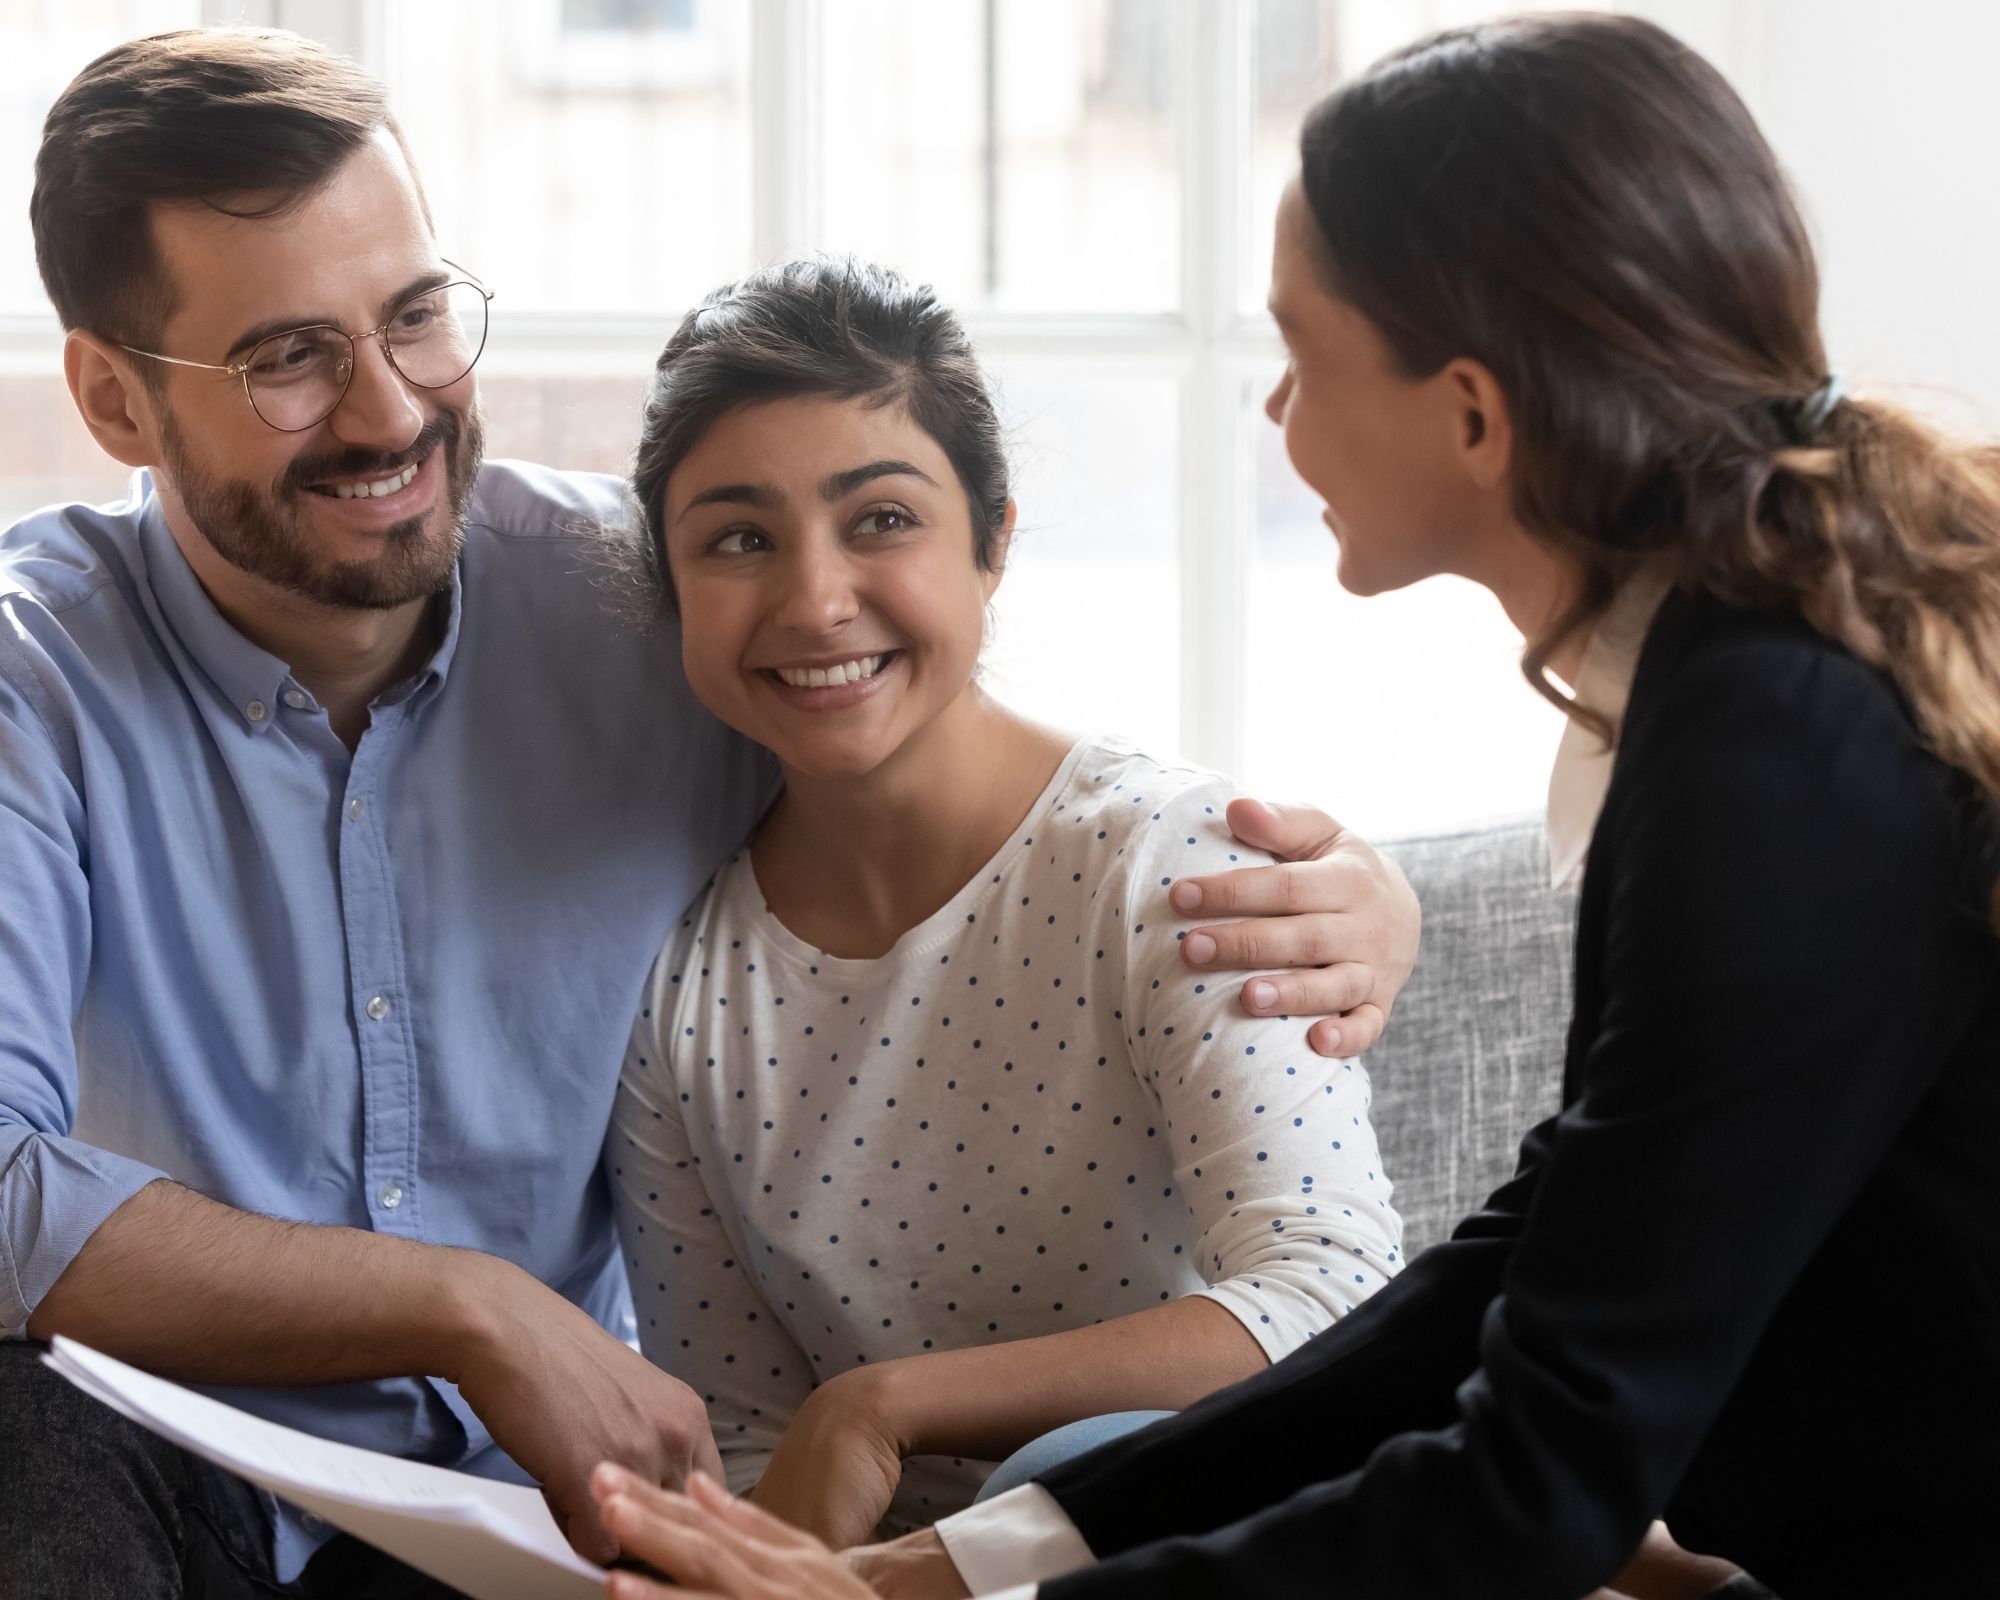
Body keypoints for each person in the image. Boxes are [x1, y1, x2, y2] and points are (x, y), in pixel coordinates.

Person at [588, 13, 2000, 1600]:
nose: (1272, 413)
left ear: (1471, 412)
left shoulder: (1774, 743)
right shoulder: (1750, 684)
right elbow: (1519, 1273)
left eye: (1303, 354)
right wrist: (944, 1572)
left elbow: (1540, 1478)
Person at [0, 26, 1423, 1599]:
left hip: (529, 1513)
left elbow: (936, 725)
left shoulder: (656, 605)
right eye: (286, 357)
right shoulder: (30, 682)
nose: (390, 412)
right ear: (114, 402)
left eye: (416, 318)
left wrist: (1358, 883)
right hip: (161, 1463)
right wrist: (465, 1304)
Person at [606, 260, 1406, 1551]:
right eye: (738, 539)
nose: (815, 600)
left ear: (993, 546)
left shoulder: (1166, 865)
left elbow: (1333, 1298)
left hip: (1208, 1545)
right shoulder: (682, 993)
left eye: (880, 521)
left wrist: (885, 1408)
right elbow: (748, 1440)